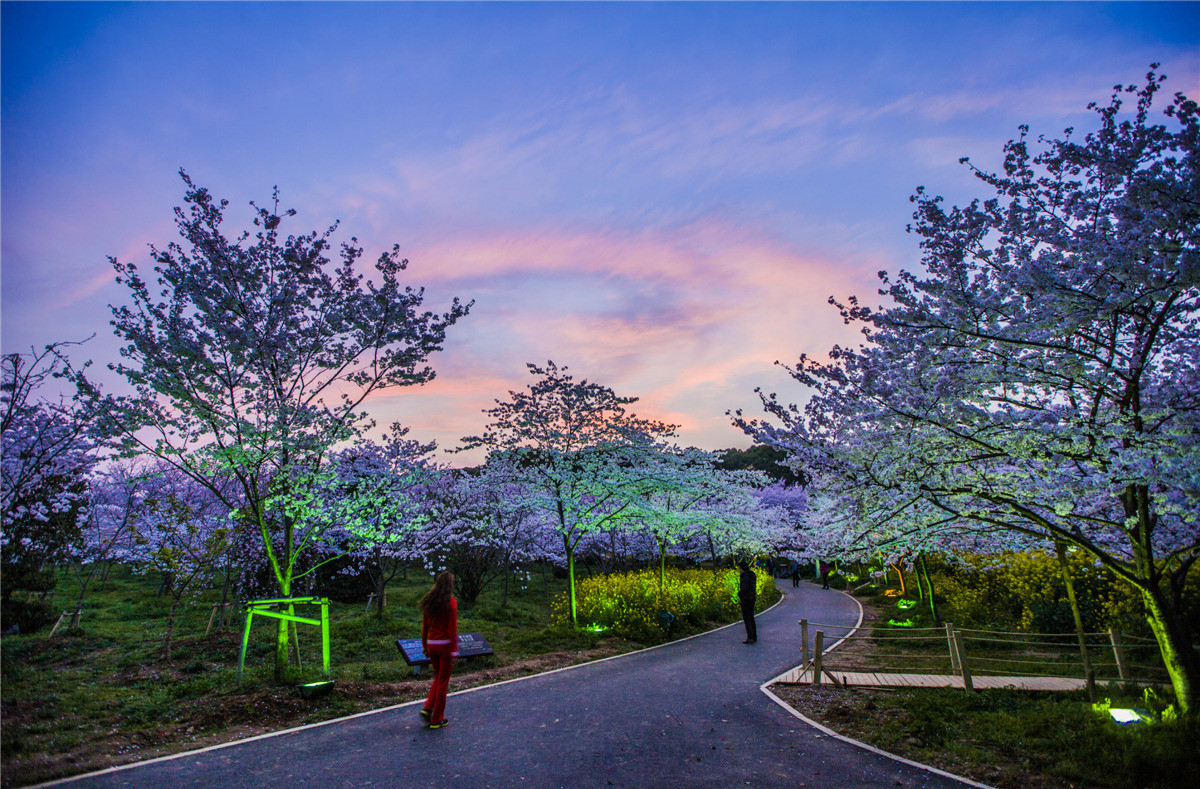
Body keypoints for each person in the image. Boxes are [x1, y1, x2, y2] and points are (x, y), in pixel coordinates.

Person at [419, 571, 458, 729]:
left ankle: (428, 707)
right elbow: (452, 628)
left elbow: (424, 627)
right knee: (443, 681)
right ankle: (437, 718)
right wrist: (454, 650)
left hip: (431, 644)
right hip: (445, 645)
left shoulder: (429, 602)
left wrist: (424, 646)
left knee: (438, 677)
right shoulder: (451, 602)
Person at [737, 561, 757, 644]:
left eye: (739, 568)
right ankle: (754, 636)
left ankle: (750, 637)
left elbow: (744, 588)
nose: (739, 570)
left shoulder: (746, 577)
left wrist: (739, 594)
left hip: (746, 599)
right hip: (752, 598)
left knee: (747, 618)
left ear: (742, 568)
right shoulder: (751, 575)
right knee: (751, 617)